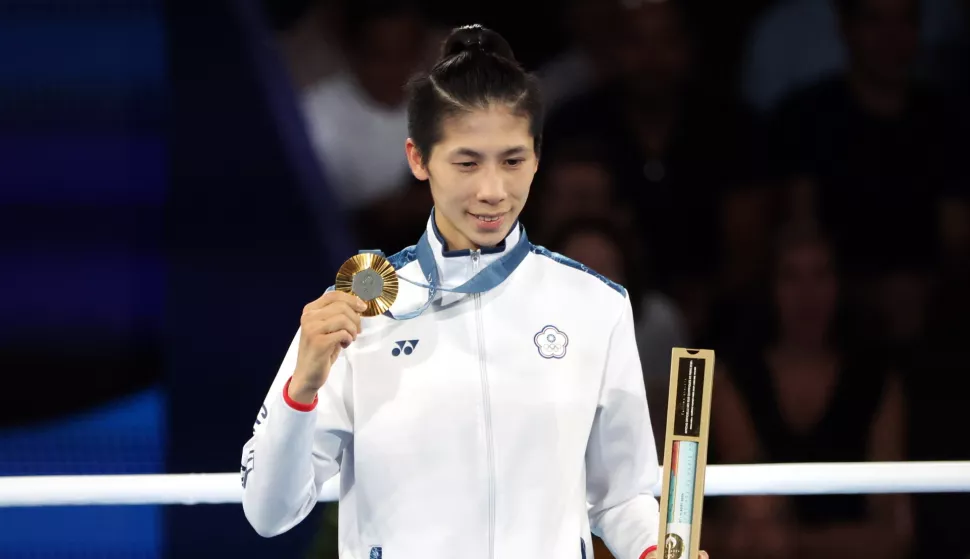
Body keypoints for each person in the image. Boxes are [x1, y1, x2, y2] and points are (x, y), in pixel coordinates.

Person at [241, 24, 710, 559]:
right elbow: (269, 512)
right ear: (418, 159)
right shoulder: (356, 310)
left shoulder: (595, 306)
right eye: (467, 162)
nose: (493, 190)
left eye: (512, 161)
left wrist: (655, 551)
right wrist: (300, 390)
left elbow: (621, 495)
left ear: (537, 156)